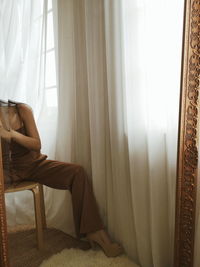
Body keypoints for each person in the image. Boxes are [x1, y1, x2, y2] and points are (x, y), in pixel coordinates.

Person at [0, 100, 123, 257]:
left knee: (77, 173)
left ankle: (94, 232)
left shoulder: (21, 109)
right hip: (7, 172)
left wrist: (11, 134)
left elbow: (37, 144)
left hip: (34, 166)